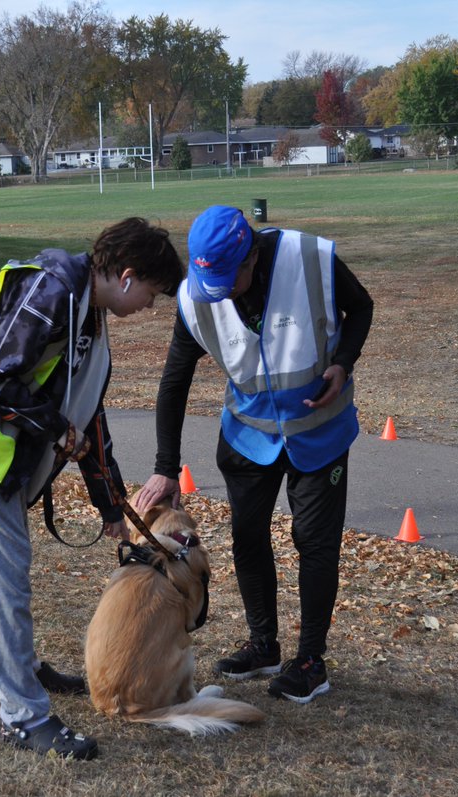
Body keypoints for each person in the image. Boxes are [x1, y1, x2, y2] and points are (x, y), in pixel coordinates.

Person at [0, 217, 183, 760]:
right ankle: (23, 716)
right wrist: (56, 429)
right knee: (2, 582)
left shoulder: (88, 316)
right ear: (127, 276)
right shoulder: (52, 288)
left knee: (11, 572)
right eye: (153, 293)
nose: (151, 305)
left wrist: (110, 506)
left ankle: (25, 672)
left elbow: (89, 418)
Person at [135, 205, 374, 705]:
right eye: (211, 283)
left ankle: (311, 661)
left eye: (231, 279)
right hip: (248, 434)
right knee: (247, 536)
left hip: (318, 432)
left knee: (314, 541)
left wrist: (343, 364)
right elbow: (174, 381)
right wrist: (165, 466)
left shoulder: (310, 258)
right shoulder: (197, 297)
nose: (221, 293)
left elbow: (362, 308)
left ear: (251, 256)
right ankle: (263, 644)